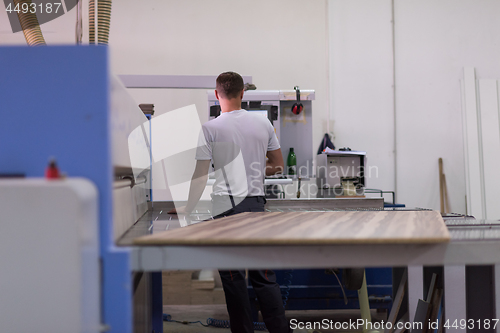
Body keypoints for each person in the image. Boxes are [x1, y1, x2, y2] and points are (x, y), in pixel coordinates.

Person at [169, 71, 290, 333]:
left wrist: (186, 209)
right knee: (265, 277)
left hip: (225, 209)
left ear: (216, 95)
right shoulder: (264, 124)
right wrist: (257, 170)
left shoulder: (210, 128)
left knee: (234, 280)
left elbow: (200, 176)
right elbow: (279, 166)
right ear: (243, 93)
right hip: (256, 207)